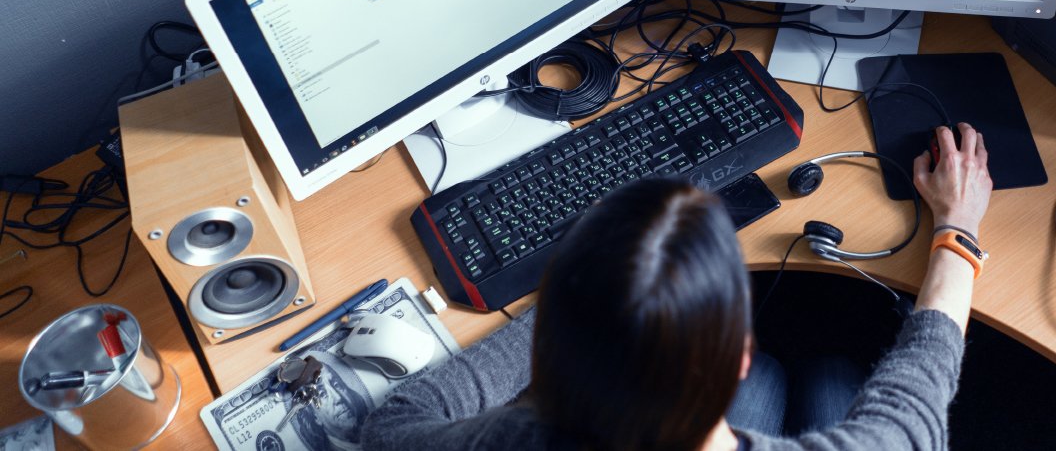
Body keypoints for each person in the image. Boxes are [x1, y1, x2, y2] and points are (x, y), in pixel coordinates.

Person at [362, 123, 994, 450]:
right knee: (831, 377)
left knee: (773, 382)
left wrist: (595, 302)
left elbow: (396, 423)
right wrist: (957, 226)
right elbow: (918, 394)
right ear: (735, 350)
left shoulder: (501, 443)